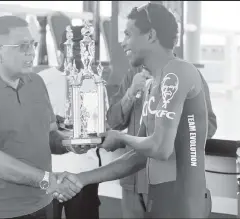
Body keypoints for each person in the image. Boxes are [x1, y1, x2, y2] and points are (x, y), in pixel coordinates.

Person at [56, 3, 213, 218]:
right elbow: (138, 156)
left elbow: (159, 148)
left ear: (151, 36)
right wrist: (82, 178)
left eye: (128, 34)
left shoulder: (179, 72)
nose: (122, 42)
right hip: (158, 198)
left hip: (183, 202)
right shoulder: (151, 84)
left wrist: (120, 137)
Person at [0, 16, 86, 219]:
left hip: (41, 205)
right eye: (22, 46)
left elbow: (50, 135)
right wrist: (48, 180)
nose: (32, 52)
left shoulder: (36, 82)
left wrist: (71, 143)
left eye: (32, 44)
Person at [107, 60, 217, 218]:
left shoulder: (186, 74)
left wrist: (168, 136)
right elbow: (113, 122)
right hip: (133, 183)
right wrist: (130, 93)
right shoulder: (133, 75)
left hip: (172, 185)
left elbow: (209, 126)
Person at [38, 25, 109, 219]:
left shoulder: (94, 81)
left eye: (87, 46)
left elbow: (100, 126)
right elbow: (32, 124)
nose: (82, 51)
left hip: (84, 172)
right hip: (48, 172)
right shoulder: (41, 81)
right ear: (63, 48)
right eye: (76, 46)